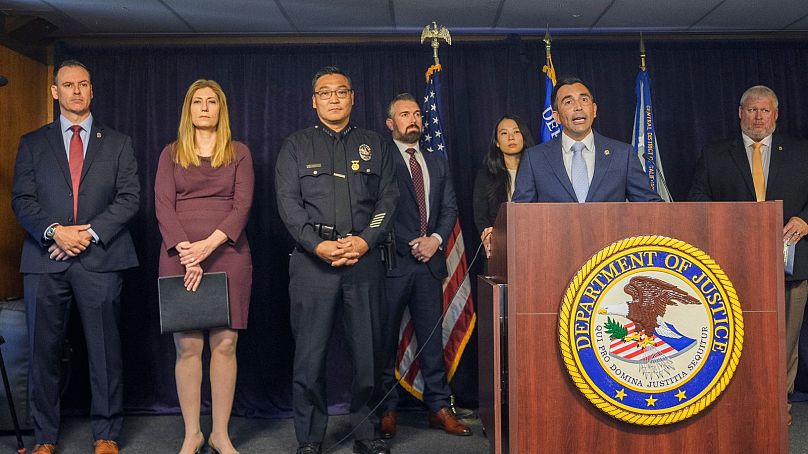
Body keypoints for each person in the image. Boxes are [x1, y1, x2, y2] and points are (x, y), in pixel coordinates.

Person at [11, 60, 140, 454]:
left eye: (83, 84)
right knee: (42, 352)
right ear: (55, 92)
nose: (77, 91)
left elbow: (129, 197)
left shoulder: (117, 142)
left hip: (101, 259)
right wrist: (55, 232)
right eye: (68, 85)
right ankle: (45, 439)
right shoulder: (33, 143)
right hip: (44, 259)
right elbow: (22, 199)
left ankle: (106, 434)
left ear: (92, 89)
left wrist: (87, 233)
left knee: (104, 352)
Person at [275, 66, 399, 454]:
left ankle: (366, 432)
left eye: (340, 92)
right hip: (313, 263)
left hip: (363, 260)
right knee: (309, 357)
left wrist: (365, 241)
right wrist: (316, 245)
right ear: (314, 102)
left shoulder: (375, 144)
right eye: (325, 93)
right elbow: (288, 204)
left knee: (368, 354)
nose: (333, 99)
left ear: (352, 98)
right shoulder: (295, 146)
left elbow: (388, 200)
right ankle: (310, 437)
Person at [688, 85, 808, 426]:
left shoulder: (801, 152)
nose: (758, 117)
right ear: (740, 113)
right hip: (732, 263)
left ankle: (778, 408)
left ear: (776, 115)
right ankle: (738, 405)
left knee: (784, 341)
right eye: (752, 110)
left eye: (765, 111)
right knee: (737, 335)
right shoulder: (714, 154)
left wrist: (805, 220)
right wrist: (726, 221)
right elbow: (696, 198)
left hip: (792, 266)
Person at [155, 79, 254, 454]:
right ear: (189, 109)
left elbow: (242, 206)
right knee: (188, 346)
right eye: (198, 101)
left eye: (212, 102)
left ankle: (220, 434)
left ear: (220, 109)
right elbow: (163, 205)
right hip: (177, 255)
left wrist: (207, 247)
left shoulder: (239, 152)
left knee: (226, 343)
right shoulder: (171, 153)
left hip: (227, 254)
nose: (205, 107)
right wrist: (186, 252)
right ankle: (193, 433)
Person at [377, 93, 470, 440]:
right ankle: (386, 409)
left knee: (432, 341)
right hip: (392, 264)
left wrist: (434, 240)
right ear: (390, 124)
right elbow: (375, 211)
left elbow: (449, 210)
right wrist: (408, 243)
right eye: (404, 114)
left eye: (417, 114)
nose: (413, 119)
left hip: (430, 263)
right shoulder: (382, 160)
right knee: (385, 341)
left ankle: (438, 407)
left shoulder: (437, 162)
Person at [512, 76, 661, 205]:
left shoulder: (622, 154)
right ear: (556, 116)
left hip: (611, 238)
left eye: (584, 99)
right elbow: (519, 213)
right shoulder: (535, 159)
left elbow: (649, 205)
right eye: (568, 102)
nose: (578, 107)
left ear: (594, 110)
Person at [473, 114, 535, 256]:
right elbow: (480, 216)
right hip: (499, 249)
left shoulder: (539, 171)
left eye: (516, 132)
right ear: (497, 142)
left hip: (533, 244)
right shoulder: (485, 175)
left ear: (524, 137)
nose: (511, 137)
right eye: (504, 133)